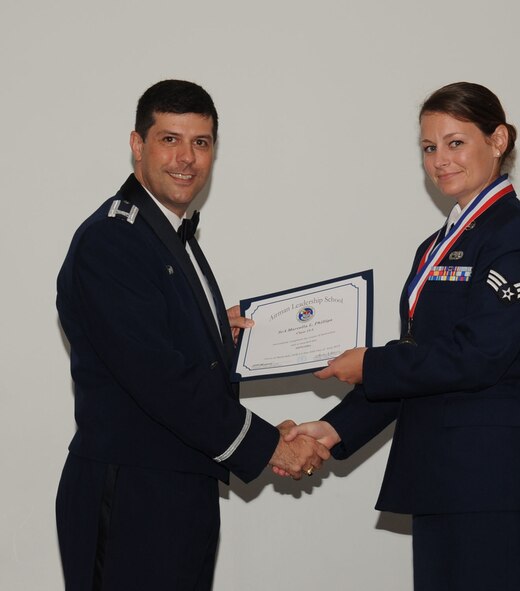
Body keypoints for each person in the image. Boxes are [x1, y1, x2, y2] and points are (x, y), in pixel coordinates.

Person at [283, 82, 520, 590]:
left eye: (456, 143)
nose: (440, 160)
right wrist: (337, 428)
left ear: (497, 140)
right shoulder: (434, 246)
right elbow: (418, 360)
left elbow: (477, 357)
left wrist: (369, 365)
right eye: (429, 148)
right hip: (441, 477)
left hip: (493, 481)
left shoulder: (518, 235)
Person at [55, 79, 329, 590]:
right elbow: (162, 380)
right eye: (169, 139)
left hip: (179, 487)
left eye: (200, 143)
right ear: (138, 145)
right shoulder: (114, 239)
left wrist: (208, 329)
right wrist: (271, 446)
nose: (186, 158)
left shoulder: (165, 234)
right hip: (132, 493)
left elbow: (154, 336)